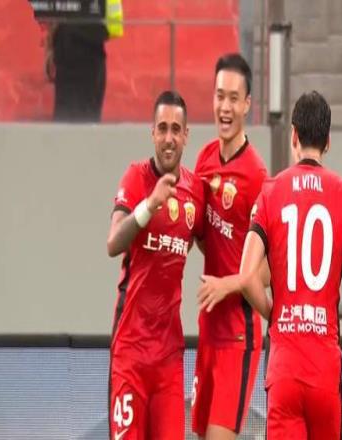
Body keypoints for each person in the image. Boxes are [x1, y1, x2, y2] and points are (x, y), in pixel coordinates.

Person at [199, 91, 342, 439]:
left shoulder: (271, 193)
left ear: (293, 136)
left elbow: (246, 275)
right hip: (324, 370)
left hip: (284, 368)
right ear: (328, 141)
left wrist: (275, 315)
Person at [107, 90, 204, 440]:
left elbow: (207, 243)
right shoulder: (136, 177)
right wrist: (149, 206)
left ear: (186, 135)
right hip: (130, 353)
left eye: (176, 129)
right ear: (152, 132)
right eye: (162, 128)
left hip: (168, 359)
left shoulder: (196, 192)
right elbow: (113, 242)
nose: (168, 138)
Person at [191, 53, 268, 440]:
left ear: (247, 104)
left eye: (233, 98)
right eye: (219, 96)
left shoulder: (257, 176)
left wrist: (229, 283)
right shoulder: (204, 159)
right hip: (208, 328)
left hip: (240, 335)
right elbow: (203, 234)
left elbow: (269, 270)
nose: (225, 107)